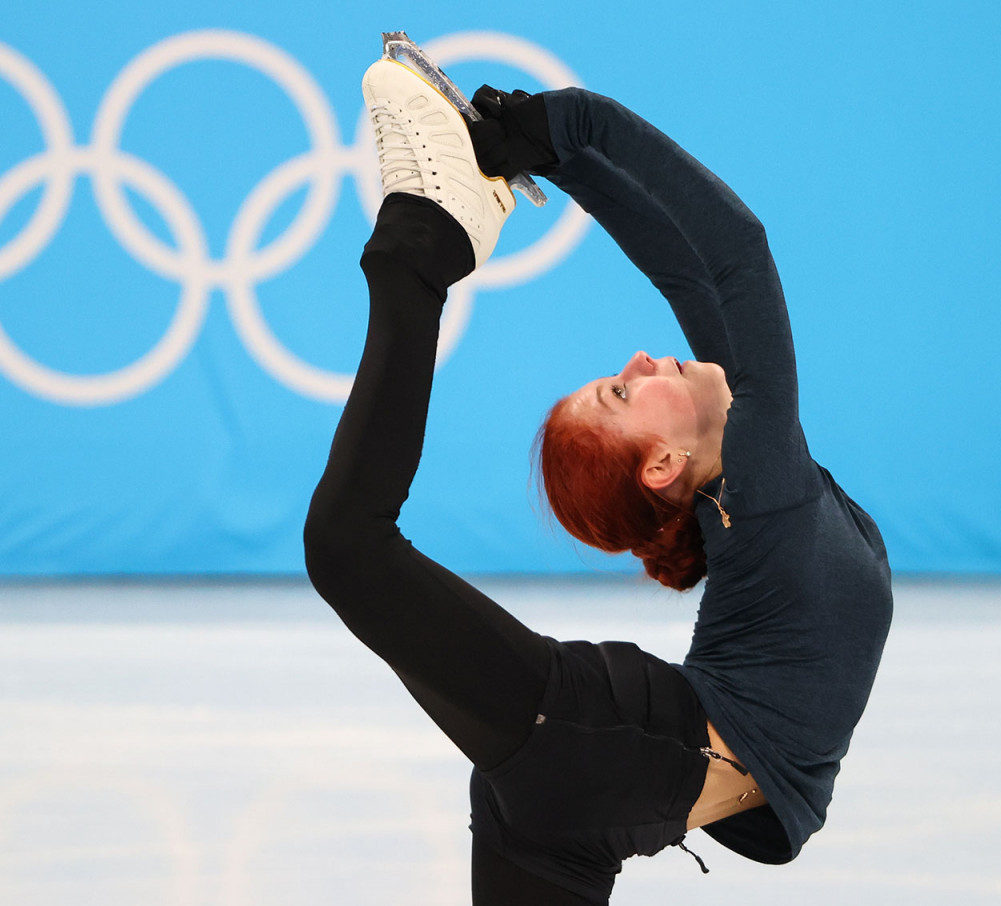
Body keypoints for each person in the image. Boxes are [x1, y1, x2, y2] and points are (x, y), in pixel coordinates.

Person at [303, 55, 893, 905]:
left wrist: (558, 163)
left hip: (591, 797)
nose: (641, 358)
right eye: (622, 392)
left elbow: (684, 270)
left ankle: (446, 225)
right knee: (346, 547)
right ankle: (421, 243)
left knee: (345, 549)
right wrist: (578, 122)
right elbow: (736, 253)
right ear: (662, 463)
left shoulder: (749, 479)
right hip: (610, 746)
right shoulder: (763, 483)